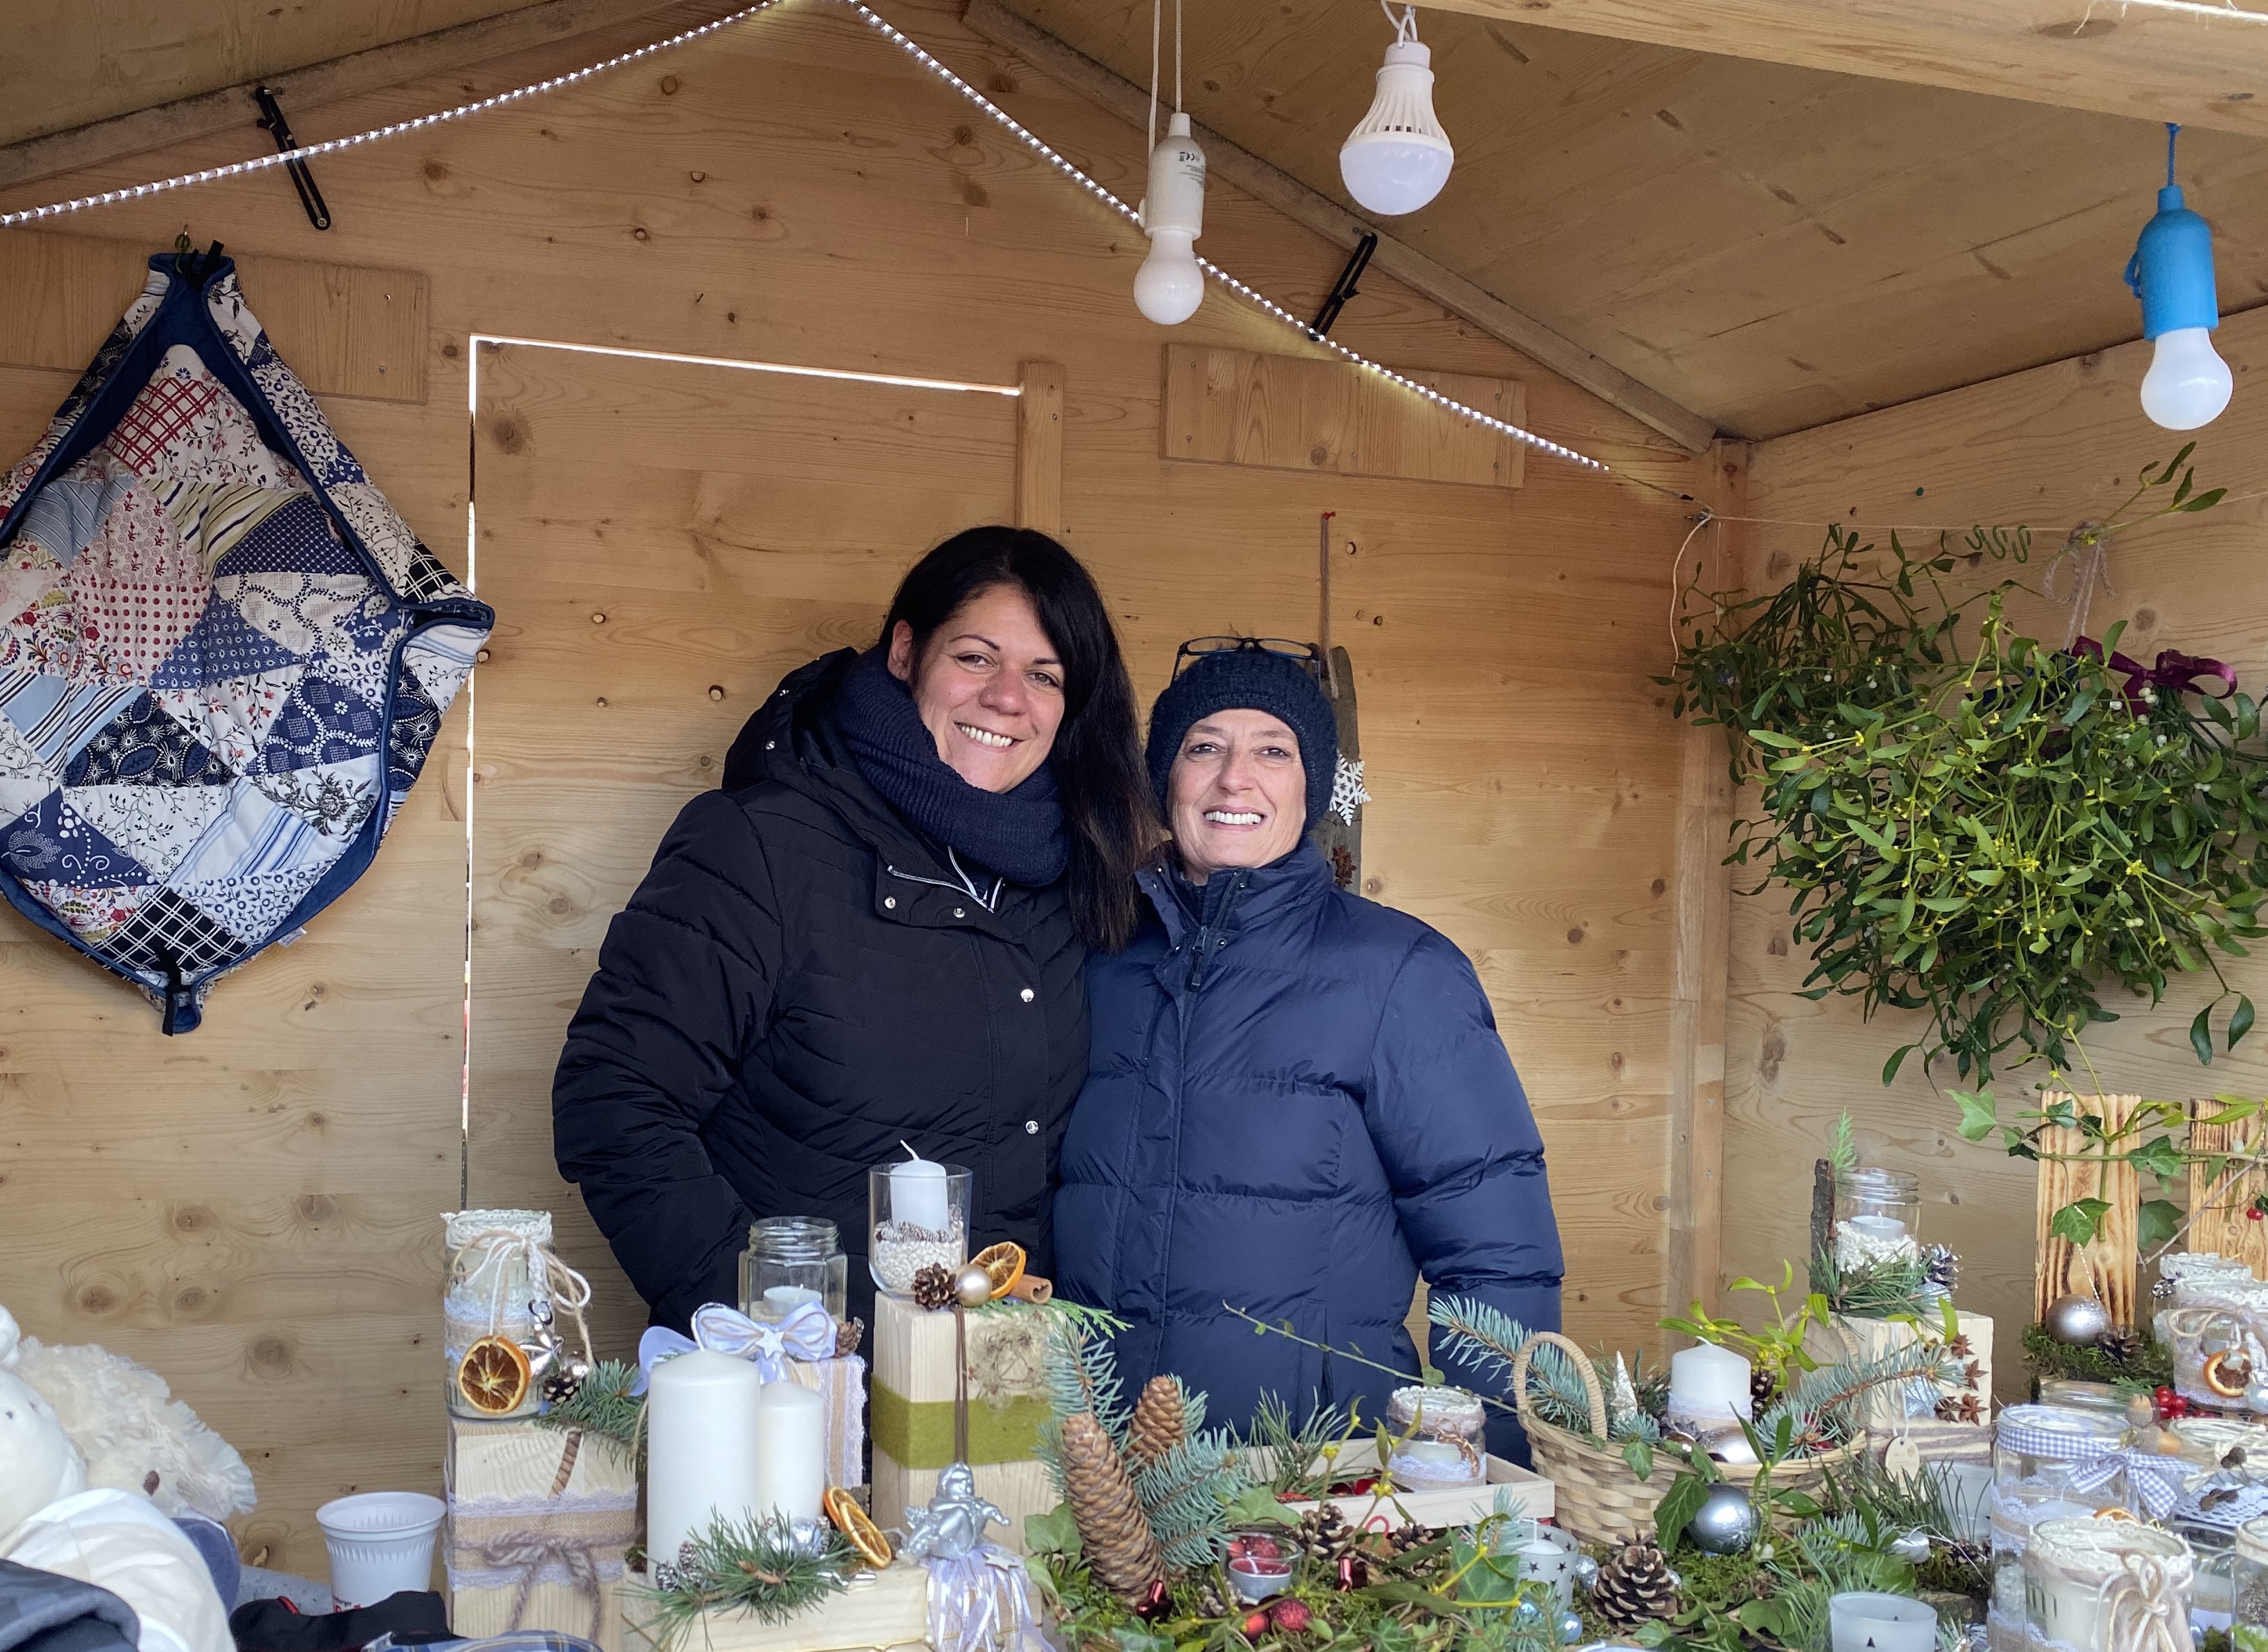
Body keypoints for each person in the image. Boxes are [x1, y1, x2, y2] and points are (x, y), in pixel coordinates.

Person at [553, 528, 1151, 1336]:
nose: (1008, 698)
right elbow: (614, 1100)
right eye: (976, 657)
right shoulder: (761, 846)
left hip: (1001, 1381)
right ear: (906, 652)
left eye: (1044, 675)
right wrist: (771, 1325)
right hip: (802, 1382)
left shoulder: (1077, 874)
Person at [1053, 642, 1562, 1456]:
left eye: (1273, 751)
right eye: (1204, 747)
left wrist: (1490, 1480)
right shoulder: (1098, 957)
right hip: (1090, 1469)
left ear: (1310, 787)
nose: (1235, 779)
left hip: (1311, 1475)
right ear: (1166, 779)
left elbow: (1495, 1257)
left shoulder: (1400, 973)